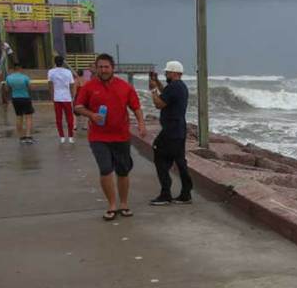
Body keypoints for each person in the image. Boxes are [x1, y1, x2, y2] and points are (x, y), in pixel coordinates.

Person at [74, 53, 147, 221]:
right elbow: (78, 106)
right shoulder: (89, 87)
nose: (103, 70)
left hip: (121, 136)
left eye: (106, 67)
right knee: (105, 169)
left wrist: (141, 124)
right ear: (95, 68)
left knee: (123, 171)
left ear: (113, 68)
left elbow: (136, 107)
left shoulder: (125, 86)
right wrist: (91, 115)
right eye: (100, 67)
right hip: (98, 137)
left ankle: (124, 203)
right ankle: (112, 204)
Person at [147, 61, 192, 205]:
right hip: (179, 129)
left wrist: (153, 90)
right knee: (180, 161)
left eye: (167, 72)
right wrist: (158, 83)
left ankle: (165, 194)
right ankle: (186, 193)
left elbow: (159, 104)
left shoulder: (174, 87)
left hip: (170, 130)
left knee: (159, 156)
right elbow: (166, 94)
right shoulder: (180, 86)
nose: (165, 74)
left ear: (174, 73)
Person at [3, 59, 34, 144]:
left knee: (19, 117)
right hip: (25, 98)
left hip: (15, 99)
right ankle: (28, 136)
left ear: (14, 69)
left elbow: (6, 89)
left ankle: (21, 137)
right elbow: (30, 88)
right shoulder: (25, 77)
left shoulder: (9, 78)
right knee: (28, 117)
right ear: (20, 68)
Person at [47, 56, 76, 144]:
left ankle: (62, 137)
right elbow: (71, 85)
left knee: (58, 118)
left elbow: (50, 85)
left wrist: (52, 96)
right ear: (63, 62)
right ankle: (70, 136)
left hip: (57, 98)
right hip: (67, 98)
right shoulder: (68, 72)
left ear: (55, 62)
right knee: (69, 118)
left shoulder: (51, 72)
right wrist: (72, 96)